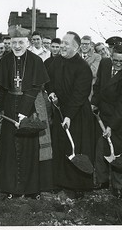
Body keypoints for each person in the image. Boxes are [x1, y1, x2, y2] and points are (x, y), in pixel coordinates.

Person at [0, 25, 51, 199]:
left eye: (20, 42)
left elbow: (34, 88)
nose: (17, 46)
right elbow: (3, 87)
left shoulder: (35, 61)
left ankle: (31, 189)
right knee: (9, 147)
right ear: (9, 43)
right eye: (14, 42)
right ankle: (11, 188)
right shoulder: (5, 60)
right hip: (10, 105)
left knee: (29, 147)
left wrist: (24, 112)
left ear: (27, 43)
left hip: (29, 105)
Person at [45, 31, 95, 198]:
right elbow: (49, 81)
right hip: (60, 111)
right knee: (60, 145)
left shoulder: (83, 67)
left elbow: (80, 94)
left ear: (77, 47)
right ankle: (59, 182)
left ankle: (76, 186)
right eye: (62, 43)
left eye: (67, 44)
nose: (63, 46)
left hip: (78, 114)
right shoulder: (56, 62)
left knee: (75, 146)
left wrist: (69, 116)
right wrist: (51, 92)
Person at [91, 43, 122, 198]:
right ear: (111, 56)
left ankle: (117, 186)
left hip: (120, 120)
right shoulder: (104, 64)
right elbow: (97, 86)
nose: (118, 63)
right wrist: (94, 103)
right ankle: (102, 181)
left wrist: (111, 126)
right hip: (103, 114)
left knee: (117, 152)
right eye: (116, 60)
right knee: (101, 149)